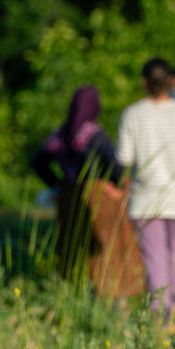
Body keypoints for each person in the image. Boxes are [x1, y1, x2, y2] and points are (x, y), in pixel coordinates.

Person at [117, 57, 175, 319]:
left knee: (155, 255)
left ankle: (161, 312)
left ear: (144, 82)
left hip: (146, 199)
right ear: (171, 81)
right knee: (172, 251)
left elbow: (124, 158)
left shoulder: (132, 113)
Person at [31, 85, 132, 284]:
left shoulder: (60, 134)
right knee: (103, 252)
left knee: (71, 248)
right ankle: (106, 295)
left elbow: (37, 162)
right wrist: (117, 185)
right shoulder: (94, 135)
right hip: (99, 198)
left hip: (68, 197)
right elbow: (114, 165)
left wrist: (57, 183)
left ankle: (72, 289)